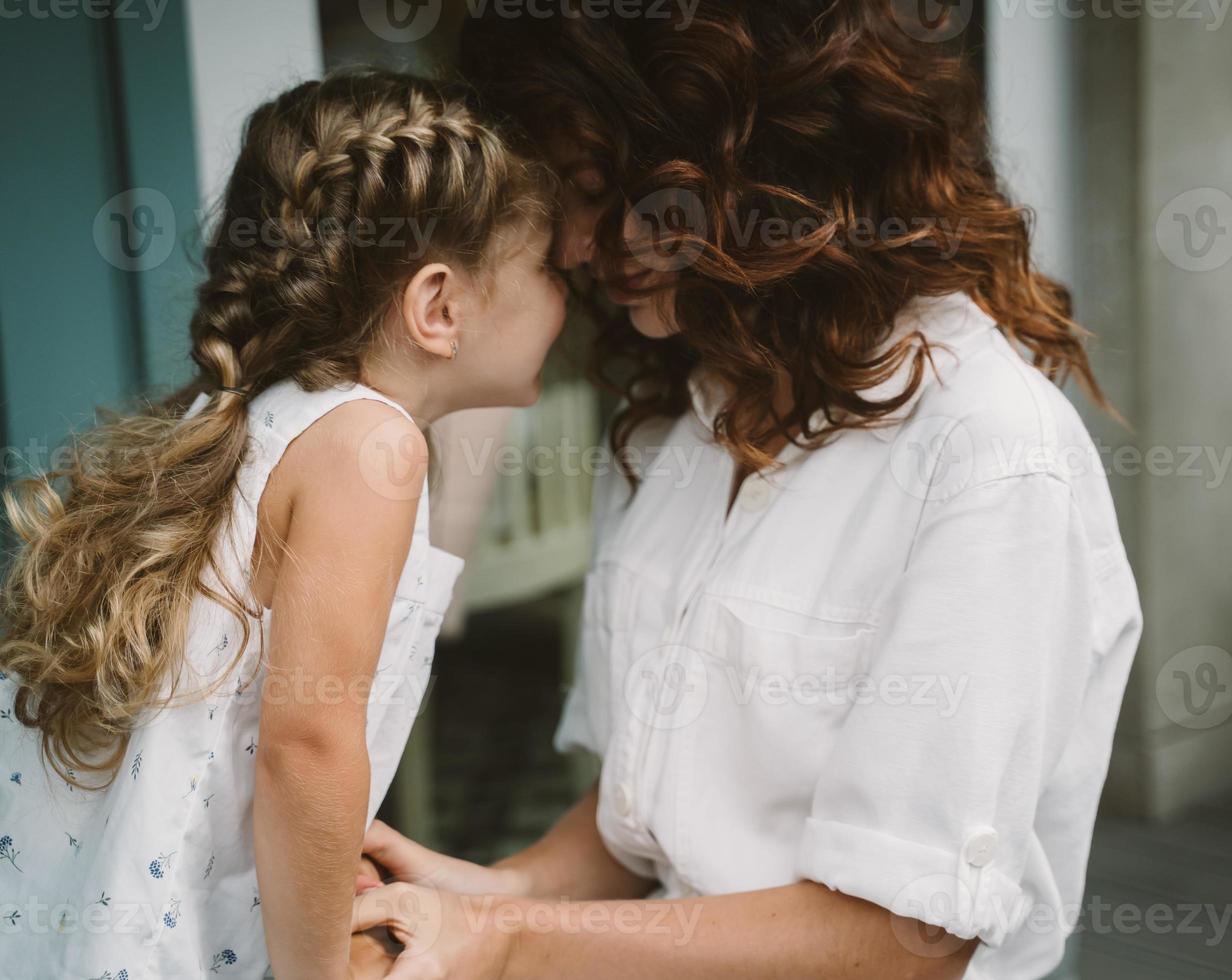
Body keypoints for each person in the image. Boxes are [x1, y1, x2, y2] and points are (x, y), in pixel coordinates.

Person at [352, 3, 1143, 978]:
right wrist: (481, 893)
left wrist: (512, 942)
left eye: (605, 186)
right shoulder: (685, 415)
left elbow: (900, 937)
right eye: (563, 190)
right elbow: (640, 830)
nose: (575, 241)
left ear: (761, 162)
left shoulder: (990, 455)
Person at [0, 70, 566, 980]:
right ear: (439, 307)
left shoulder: (250, 412)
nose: (570, 302)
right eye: (552, 270)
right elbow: (309, 746)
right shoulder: (371, 446)